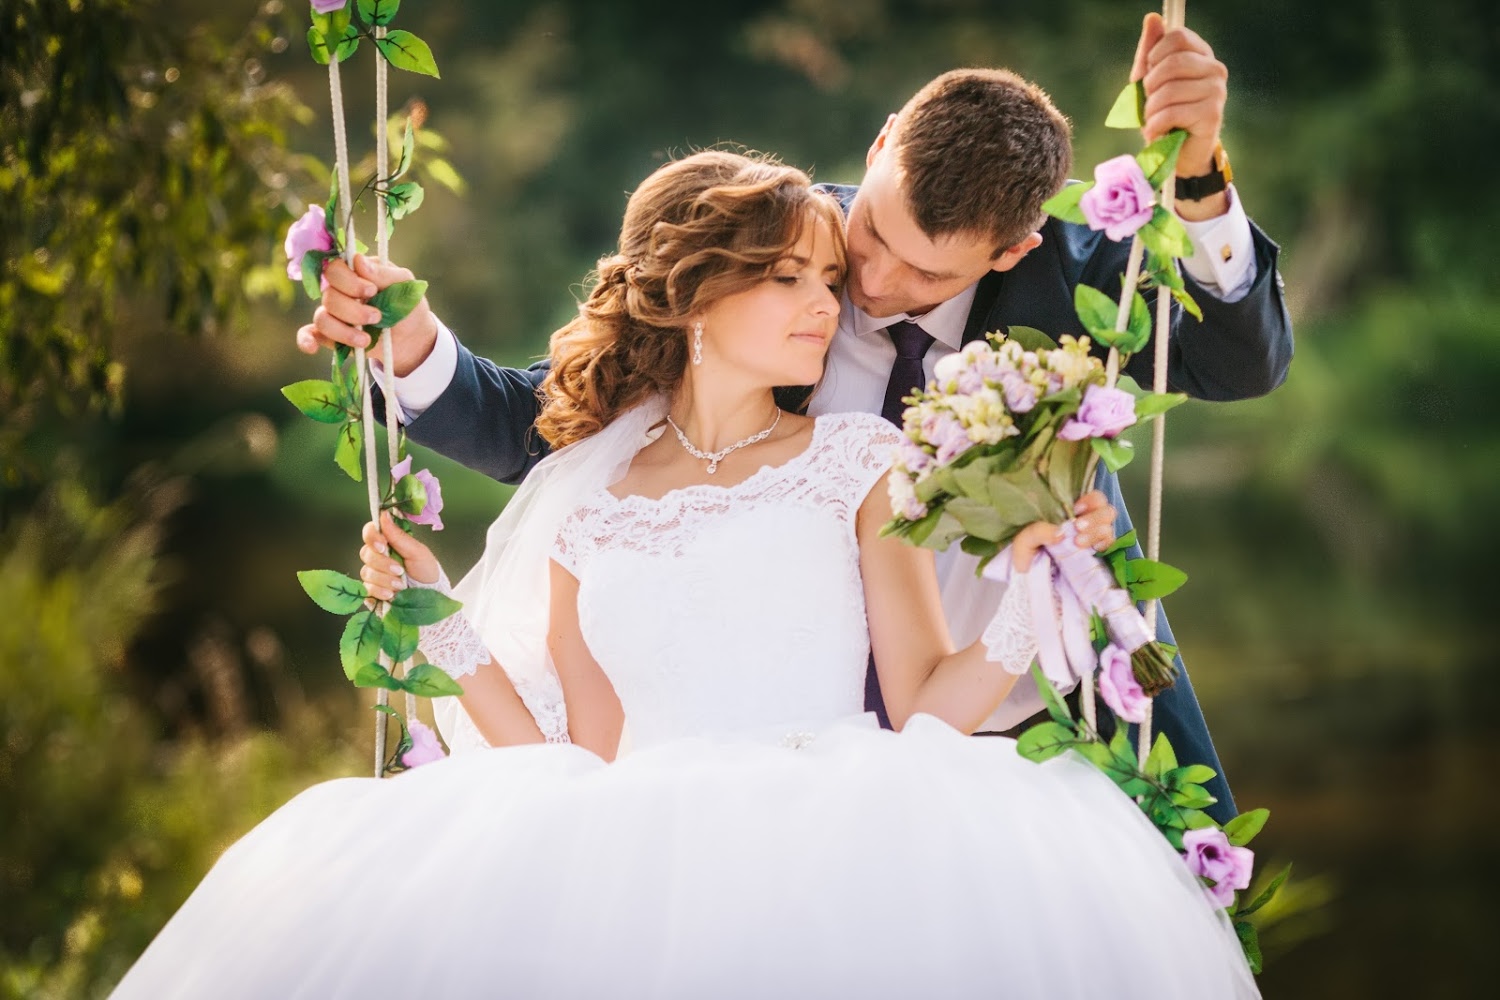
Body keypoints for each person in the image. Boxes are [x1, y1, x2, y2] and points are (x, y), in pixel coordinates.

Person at [114, 151, 1258, 998]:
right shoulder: (594, 497)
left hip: (853, 829)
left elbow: (925, 704)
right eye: (793, 281)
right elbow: (574, 758)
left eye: (828, 279)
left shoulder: (863, 461)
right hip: (635, 854)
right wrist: (443, 629)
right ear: (699, 298)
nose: (832, 302)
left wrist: (1036, 599)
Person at [297, 15, 1292, 822]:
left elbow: (1239, 360)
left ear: (1010, 251)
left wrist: (1197, 177)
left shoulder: (1069, 287)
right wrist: (414, 345)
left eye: (926, 273)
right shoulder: (769, 254)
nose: (869, 281)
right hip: (762, 779)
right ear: (880, 144)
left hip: (1028, 732)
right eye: (871, 236)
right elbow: (561, 417)